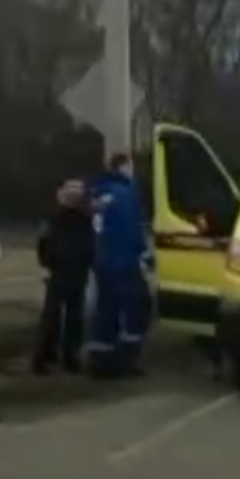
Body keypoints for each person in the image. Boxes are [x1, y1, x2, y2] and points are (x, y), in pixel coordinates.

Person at [87, 151, 153, 379]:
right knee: (136, 309)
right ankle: (125, 360)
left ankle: (100, 359)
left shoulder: (99, 192)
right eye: (130, 166)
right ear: (123, 167)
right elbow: (132, 228)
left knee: (106, 310)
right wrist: (144, 254)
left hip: (103, 260)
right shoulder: (126, 193)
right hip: (123, 260)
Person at [31, 180, 95, 375]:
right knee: (60, 316)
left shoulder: (65, 217)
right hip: (66, 269)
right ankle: (56, 356)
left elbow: (43, 243)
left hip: (68, 269)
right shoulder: (77, 217)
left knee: (60, 316)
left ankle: (52, 356)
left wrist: (47, 263)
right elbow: (44, 243)